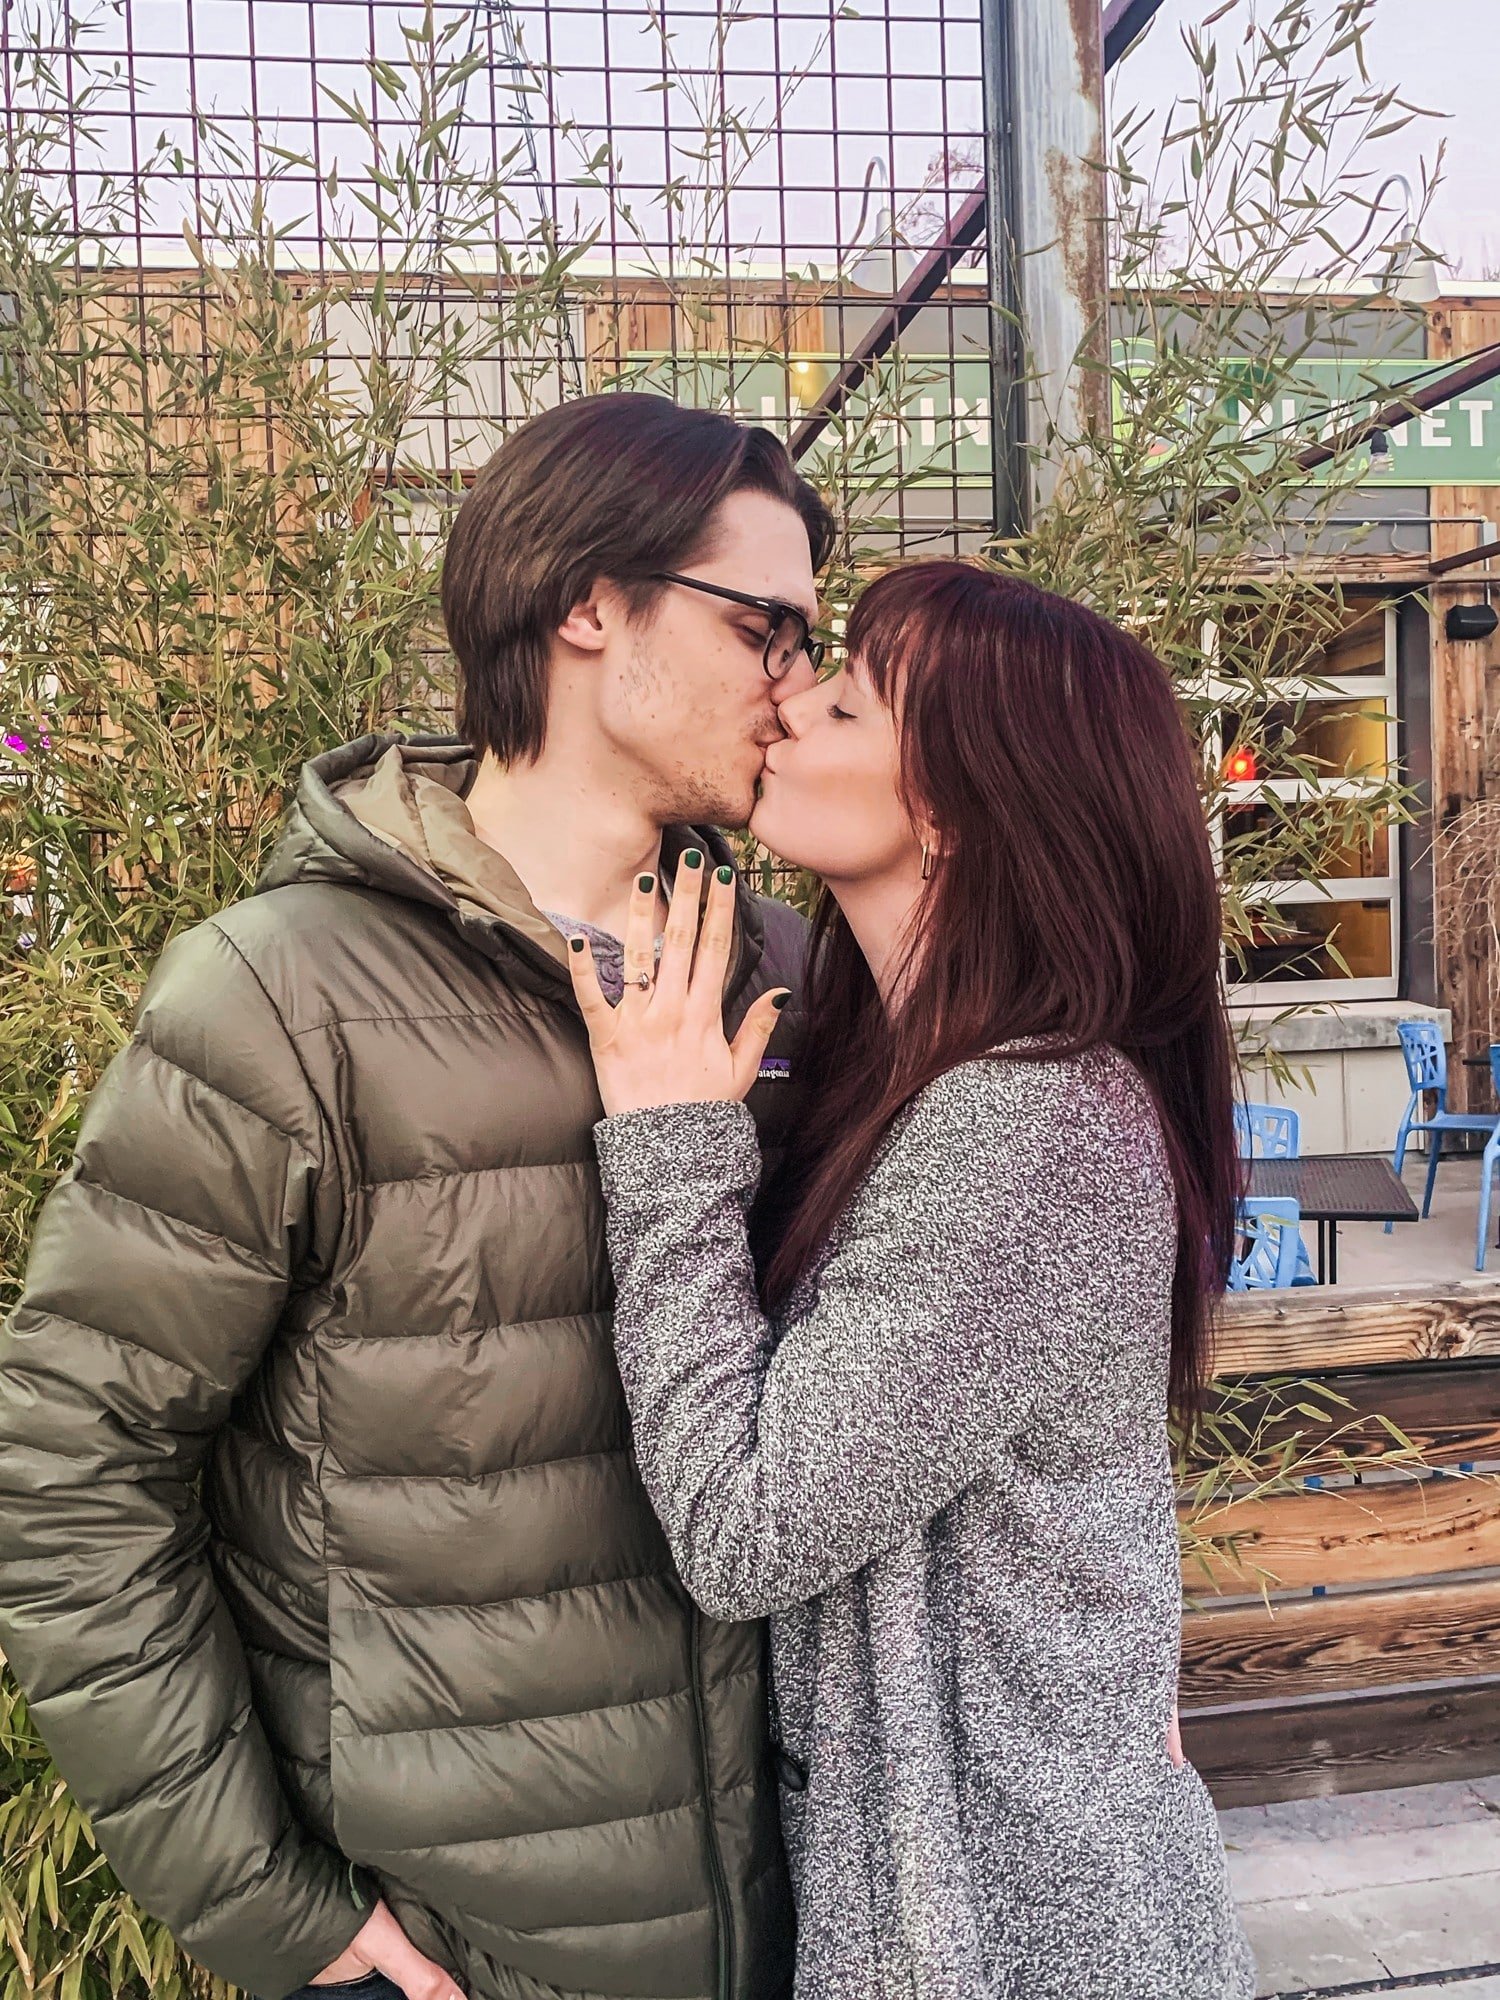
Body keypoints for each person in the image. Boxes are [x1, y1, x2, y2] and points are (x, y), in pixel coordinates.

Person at [0, 394, 835, 2000]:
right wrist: (271, 1910)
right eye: (766, 626)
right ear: (591, 604)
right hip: (458, 1945)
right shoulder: (284, 998)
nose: (794, 685)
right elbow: (71, 1471)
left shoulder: (792, 984)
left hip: (807, 1919)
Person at [566, 559, 1259, 2000]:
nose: (788, 702)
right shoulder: (920, 1075)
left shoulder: (1031, 1122)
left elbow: (746, 1532)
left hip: (1014, 1924)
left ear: (952, 800)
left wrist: (670, 1139)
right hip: (977, 1877)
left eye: (846, 695)